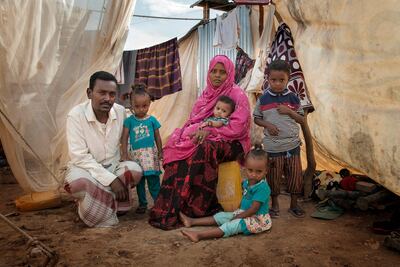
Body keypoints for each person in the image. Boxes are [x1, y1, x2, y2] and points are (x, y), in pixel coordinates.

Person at [149, 55, 251, 230]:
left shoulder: (237, 94)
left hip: (233, 143)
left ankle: (197, 208)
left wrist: (208, 131)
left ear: (230, 74)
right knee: (179, 149)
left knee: (203, 149)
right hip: (207, 138)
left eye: (222, 72)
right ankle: (172, 206)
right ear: (208, 73)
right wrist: (193, 133)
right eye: (214, 71)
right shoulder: (204, 96)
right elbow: (192, 122)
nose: (217, 76)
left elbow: (238, 127)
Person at [64, 71, 142, 227]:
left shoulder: (120, 112)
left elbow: (127, 141)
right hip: (86, 169)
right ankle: (102, 206)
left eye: (112, 94)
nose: (108, 98)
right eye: (102, 93)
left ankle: (104, 202)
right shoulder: (75, 116)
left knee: (135, 171)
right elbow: (80, 157)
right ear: (89, 93)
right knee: (77, 183)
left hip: (113, 166)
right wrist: (111, 180)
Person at [180, 146, 271, 242]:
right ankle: (192, 221)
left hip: (257, 219)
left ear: (266, 170)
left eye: (259, 171)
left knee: (231, 225)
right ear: (245, 168)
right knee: (221, 216)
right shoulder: (247, 182)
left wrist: (238, 216)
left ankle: (199, 235)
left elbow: (254, 209)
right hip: (244, 212)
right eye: (250, 170)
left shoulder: (262, 188)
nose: (253, 174)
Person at [253, 59, 305, 218]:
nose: (277, 83)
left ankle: (294, 205)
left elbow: (301, 119)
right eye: (273, 80)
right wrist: (267, 125)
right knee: (274, 178)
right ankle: (274, 205)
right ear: (268, 79)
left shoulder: (293, 98)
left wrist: (289, 111)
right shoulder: (263, 99)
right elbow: (256, 118)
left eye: (281, 80)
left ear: (288, 79)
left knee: (295, 176)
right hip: (273, 147)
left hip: (292, 146)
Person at [121, 84, 163, 214]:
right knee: (139, 183)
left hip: (150, 157)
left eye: (144, 106)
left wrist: (161, 151)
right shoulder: (129, 121)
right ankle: (143, 204)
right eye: (137, 106)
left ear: (149, 103)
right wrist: (124, 154)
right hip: (136, 157)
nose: (141, 109)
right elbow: (124, 138)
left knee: (153, 182)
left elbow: (157, 137)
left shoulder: (152, 120)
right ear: (131, 105)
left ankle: (158, 204)